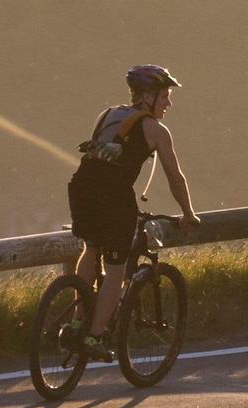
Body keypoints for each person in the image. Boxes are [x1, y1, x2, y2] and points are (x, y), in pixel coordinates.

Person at [67, 63, 198, 351]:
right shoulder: (156, 129)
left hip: (81, 188)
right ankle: (94, 337)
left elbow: (98, 157)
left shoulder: (107, 115)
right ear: (148, 95)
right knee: (116, 271)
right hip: (113, 196)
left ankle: (75, 323)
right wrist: (188, 214)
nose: (168, 103)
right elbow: (175, 178)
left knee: (91, 248)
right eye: (165, 95)